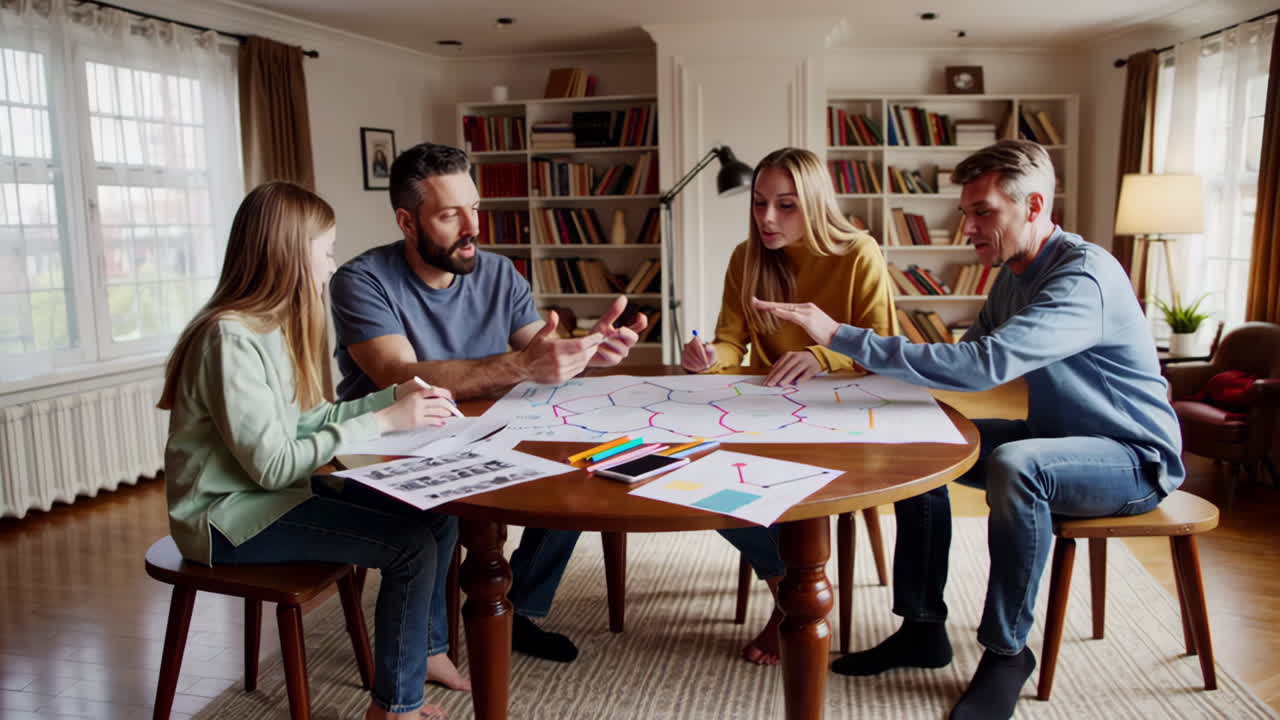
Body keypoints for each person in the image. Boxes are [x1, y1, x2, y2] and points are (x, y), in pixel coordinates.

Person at [753, 139, 1184, 720]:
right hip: (1055, 437)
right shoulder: (1012, 274)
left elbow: (983, 369)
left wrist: (839, 337)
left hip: (1133, 458)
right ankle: (924, 627)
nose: (968, 229)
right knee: (925, 450)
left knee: (1017, 466)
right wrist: (856, 397)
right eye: (966, 212)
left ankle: (1006, 653)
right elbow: (962, 359)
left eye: (984, 213)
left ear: (1033, 207)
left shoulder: (1084, 278)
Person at [330, 142, 647, 665]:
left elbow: (536, 351)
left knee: (581, 469)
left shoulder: (499, 273)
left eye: (474, 208)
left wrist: (584, 354)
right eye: (451, 215)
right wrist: (523, 365)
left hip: (481, 430)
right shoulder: (362, 281)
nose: (472, 226)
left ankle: (518, 607)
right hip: (388, 441)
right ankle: (428, 647)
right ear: (408, 222)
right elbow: (399, 375)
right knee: (452, 506)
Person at [158, 181, 461, 720]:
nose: (330, 265)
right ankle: (395, 708)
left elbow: (309, 420)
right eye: (325, 251)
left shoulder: (269, 328)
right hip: (226, 520)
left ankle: (423, 654)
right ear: (288, 254)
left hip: (269, 498)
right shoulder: (229, 338)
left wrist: (394, 397)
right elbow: (273, 465)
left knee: (434, 513)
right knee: (411, 547)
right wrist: (384, 423)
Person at [680, 147, 897, 665]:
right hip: (774, 409)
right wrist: (709, 358)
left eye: (786, 205)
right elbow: (731, 342)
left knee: (786, 481)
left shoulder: (858, 253)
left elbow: (885, 345)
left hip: (849, 411)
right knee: (700, 477)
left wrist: (821, 355)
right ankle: (787, 586)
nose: (767, 219)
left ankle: (791, 596)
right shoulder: (747, 257)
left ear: (816, 204)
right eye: (758, 204)